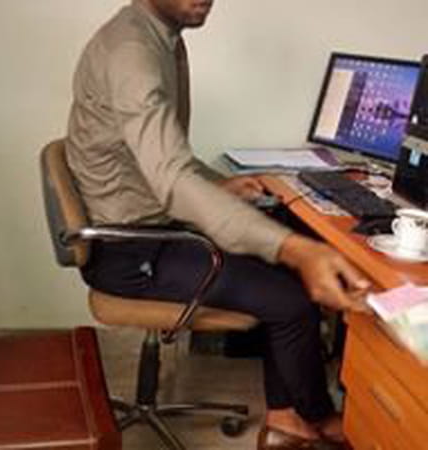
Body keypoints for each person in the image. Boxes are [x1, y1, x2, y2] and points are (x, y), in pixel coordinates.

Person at [65, 1, 370, 448]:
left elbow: (164, 158)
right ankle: (310, 418)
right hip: (130, 251)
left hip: (149, 230)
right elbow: (172, 178)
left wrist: (217, 184)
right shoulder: (133, 52)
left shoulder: (158, 36)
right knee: (292, 298)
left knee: (281, 265)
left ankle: (286, 416)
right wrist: (298, 249)